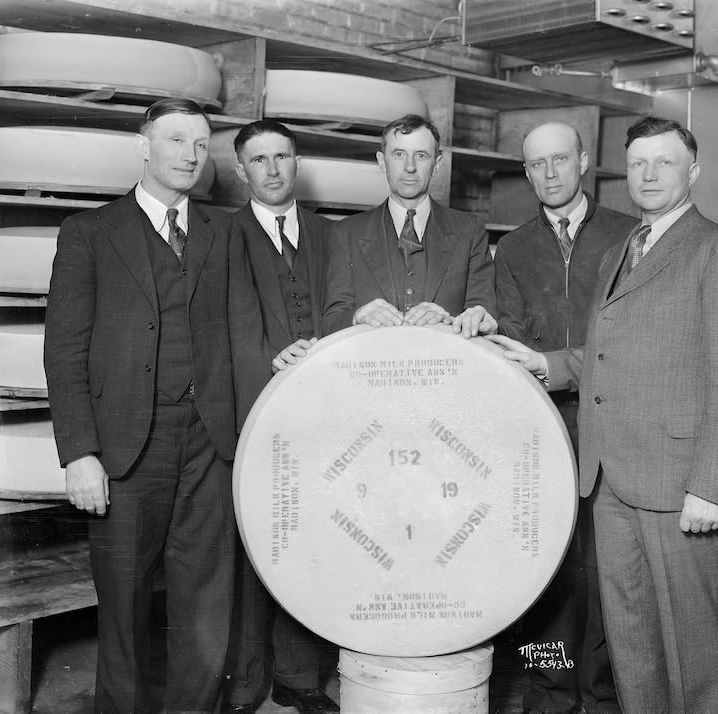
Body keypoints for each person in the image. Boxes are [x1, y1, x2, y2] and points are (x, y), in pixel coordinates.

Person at [488, 116, 718, 714]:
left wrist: (713, 487)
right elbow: (608, 354)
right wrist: (545, 364)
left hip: (677, 483)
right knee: (632, 641)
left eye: (664, 163)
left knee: (693, 648)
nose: (648, 175)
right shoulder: (625, 247)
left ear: (692, 171)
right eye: (639, 163)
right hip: (610, 478)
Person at [44, 98, 270, 714]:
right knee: (123, 606)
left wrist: (253, 441)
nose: (190, 156)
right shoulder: (89, 233)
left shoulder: (226, 231)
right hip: (122, 448)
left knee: (205, 604)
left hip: (210, 446)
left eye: (200, 145)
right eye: (175, 141)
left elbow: (246, 341)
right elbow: (63, 354)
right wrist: (80, 454)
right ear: (144, 146)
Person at [494, 121, 636, 714]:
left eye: (560, 159)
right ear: (526, 173)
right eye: (536, 165)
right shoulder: (515, 247)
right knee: (541, 571)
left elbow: (629, 340)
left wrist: (551, 364)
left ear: (582, 162)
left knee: (608, 572)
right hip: (538, 429)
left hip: (612, 426)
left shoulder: (630, 238)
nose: (549, 173)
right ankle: (549, 691)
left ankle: (605, 693)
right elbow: (506, 334)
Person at [223, 119, 338, 714]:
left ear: (298, 163)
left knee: (309, 543)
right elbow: (217, 327)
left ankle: (300, 680)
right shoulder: (221, 233)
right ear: (241, 171)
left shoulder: (331, 235)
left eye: (282, 157)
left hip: (322, 419)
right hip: (251, 413)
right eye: (258, 159)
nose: (272, 169)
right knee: (249, 550)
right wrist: (268, 359)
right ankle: (244, 684)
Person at [321, 113, 497, 338]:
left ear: (437, 164)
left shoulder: (470, 231)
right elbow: (331, 322)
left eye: (421, 155)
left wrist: (449, 321)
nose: (410, 167)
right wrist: (356, 316)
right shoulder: (345, 232)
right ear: (382, 162)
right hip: (371, 367)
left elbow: (485, 317)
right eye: (399, 154)